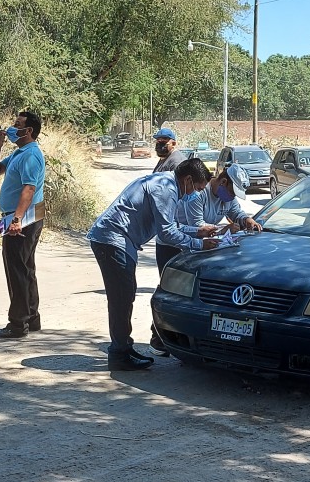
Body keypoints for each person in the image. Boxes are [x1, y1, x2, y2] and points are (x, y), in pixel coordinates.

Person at [88, 158, 219, 371]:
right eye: (197, 187)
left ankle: (123, 347)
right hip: (113, 240)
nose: (196, 193)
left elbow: (168, 224)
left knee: (125, 295)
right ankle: (119, 353)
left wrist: (197, 230)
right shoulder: (165, 189)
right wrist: (199, 244)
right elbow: (166, 234)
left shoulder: (166, 183)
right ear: (187, 179)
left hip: (119, 241)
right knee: (121, 298)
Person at [148, 164, 262, 356]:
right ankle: (158, 337)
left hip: (200, 246)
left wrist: (246, 220)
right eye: (232, 192)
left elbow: (236, 213)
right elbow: (197, 225)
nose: (232, 196)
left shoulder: (228, 197)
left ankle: (191, 336)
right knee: (175, 291)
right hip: (174, 244)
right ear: (223, 182)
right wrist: (225, 229)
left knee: (198, 294)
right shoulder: (199, 192)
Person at [0, 111, 46, 339]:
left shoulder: (31, 155)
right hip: (19, 217)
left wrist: (16, 219)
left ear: (29, 130)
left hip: (24, 218)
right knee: (25, 267)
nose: (13, 127)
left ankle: (17, 323)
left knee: (17, 269)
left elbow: (29, 189)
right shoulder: (19, 153)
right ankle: (31, 317)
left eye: (17, 124)